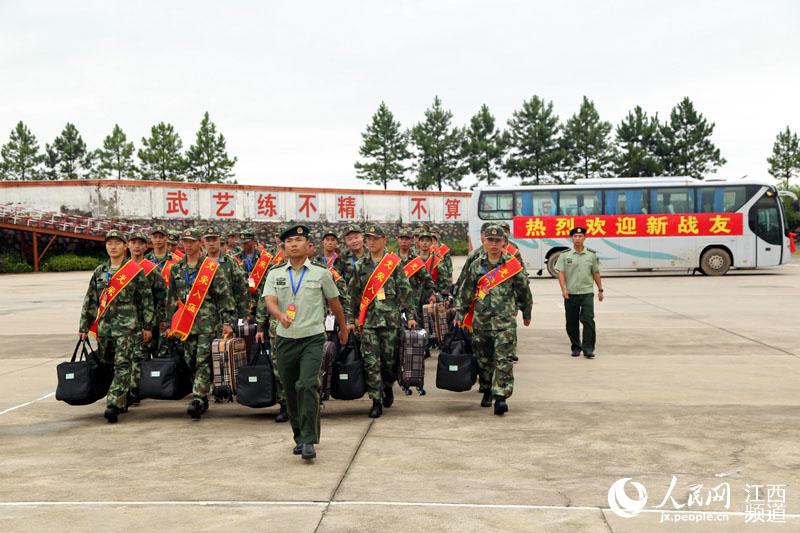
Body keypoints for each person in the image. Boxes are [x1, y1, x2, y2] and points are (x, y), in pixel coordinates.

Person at [264, 224, 349, 461]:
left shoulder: (321, 273)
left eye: (298, 241)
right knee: (290, 390)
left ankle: (310, 440)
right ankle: (299, 436)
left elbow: (335, 304)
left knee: (306, 385)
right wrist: (279, 315)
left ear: (308, 245)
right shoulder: (275, 274)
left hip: (312, 338)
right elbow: (269, 301)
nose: (293, 245)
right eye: (289, 241)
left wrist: (343, 329)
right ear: (284, 247)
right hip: (285, 339)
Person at [454, 224, 532, 416]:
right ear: (484, 241)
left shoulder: (512, 265)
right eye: (490, 240)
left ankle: (501, 397)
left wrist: (526, 311)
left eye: (498, 240)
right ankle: (487, 388)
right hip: (481, 321)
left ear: (504, 242)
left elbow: (523, 290)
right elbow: (466, 292)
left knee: (503, 359)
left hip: (504, 322)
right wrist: (460, 314)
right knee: (484, 359)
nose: (494, 244)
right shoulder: (476, 265)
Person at [79, 230, 154, 423]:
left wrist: (147, 326)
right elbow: (90, 300)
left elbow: (145, 301)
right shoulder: (100, 271)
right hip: (105, 327)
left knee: (123, 364)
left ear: (125, 246)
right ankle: (122, 396)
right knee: (107, 364)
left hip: (128, 327)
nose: (113, 247)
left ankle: (113, 404)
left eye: (117, 243)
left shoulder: (134, 271)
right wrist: (84, 326)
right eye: (109, 243)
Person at [165, 228, 237, 419]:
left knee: (203, 360)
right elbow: (171, 298)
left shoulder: (211, 268)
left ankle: (198, 397)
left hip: (207, 322)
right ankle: (203, 393)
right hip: (185, 324)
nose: (188, 245)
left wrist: (227, 322)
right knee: (189, 360)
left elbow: (224, 296)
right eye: (185, 242)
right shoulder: (177, 269)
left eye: (192, 241)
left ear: (200, 243)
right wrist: (168, 322)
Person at [348, 224, 416, 418]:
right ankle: (376, 400)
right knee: (371, 362)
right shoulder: (360, 265)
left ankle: (387, 385)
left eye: (374, 238)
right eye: (368, 239)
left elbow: (405, 291)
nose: (371, 242)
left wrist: (410, 316)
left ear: (384, 240)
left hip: (390, 321)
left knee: (388, 362)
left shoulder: (393, 263)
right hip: (368, 322)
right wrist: (350, 319)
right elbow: (354, 294)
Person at [126, 230, 167, 406]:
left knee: (149, 355)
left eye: (140, 243)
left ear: (145, 246)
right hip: (128, 322)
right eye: (133, 242)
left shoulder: (151, 269)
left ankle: (146, 387)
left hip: (151, 322)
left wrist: (162, 320)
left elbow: (162, 296)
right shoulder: (122, 268)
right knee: (133, 356)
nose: (136, 246)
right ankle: (133, 390)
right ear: (128, 245)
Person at [554, 226, 603, 359]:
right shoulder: (565, 255)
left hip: (587, 293)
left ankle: (588, 349)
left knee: (588, 320)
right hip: (570, 293)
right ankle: (576, 347)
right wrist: (563, 289)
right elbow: (561, 273)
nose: (577, 238)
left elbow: (596, 273)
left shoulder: (591, 255)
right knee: (571, 322)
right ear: (572, 238)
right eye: (575, 236)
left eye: (580, 236)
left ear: (584, 238)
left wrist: (600, 289)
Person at [203, 226, 249, 320]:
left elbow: (241, 289)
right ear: (203, 242)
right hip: (204, 317)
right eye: (208, 240)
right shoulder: (200, 263)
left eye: (214, 239)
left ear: (220, 240)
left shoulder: (231, 262)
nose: (211, 243)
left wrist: (244, 314)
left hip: (228, 316)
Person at [397, 226, 436, 322]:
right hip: (396, 301)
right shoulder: (391, 259)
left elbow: (427, 279)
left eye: (407, 239)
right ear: (398, 240)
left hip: (413, 301)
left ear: (412, 241)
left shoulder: (416, 259)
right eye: (402, 238)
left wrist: (432, 294)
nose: (404, 241)